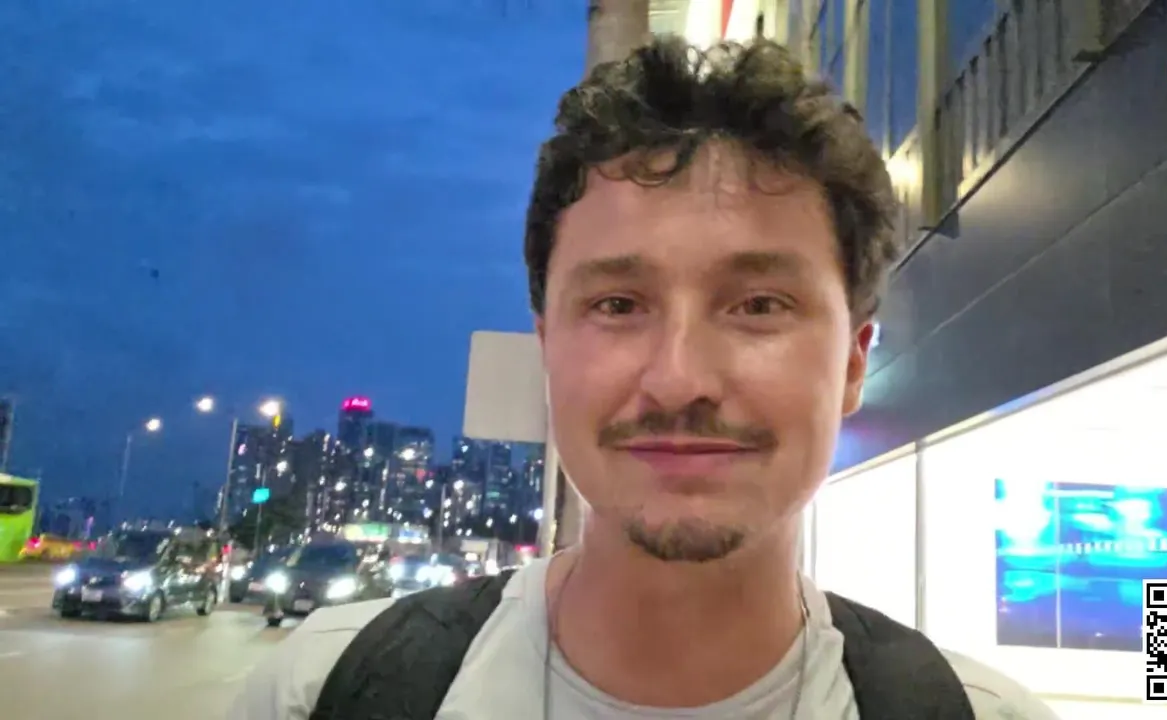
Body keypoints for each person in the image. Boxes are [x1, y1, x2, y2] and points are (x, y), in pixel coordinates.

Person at [228, 36, 1059, 720]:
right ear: (548, 349)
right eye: (619, 304)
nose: (678, 379)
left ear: (852, 362)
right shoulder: (329, 693)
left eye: (758, 305)